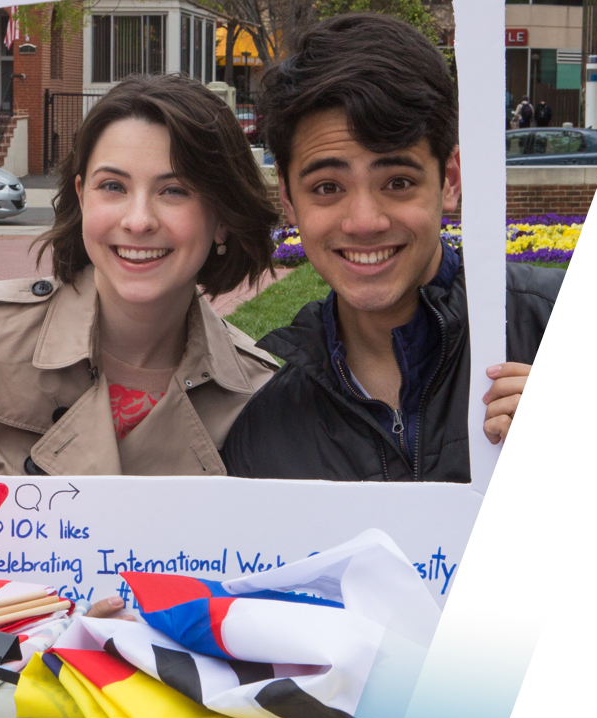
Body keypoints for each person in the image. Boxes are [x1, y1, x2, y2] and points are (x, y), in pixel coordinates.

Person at [0, 74, 279, 564]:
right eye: (113, 186)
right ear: (81, 195)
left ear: (222, 215)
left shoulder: (261, 395)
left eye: (174, 190)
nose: (138, 220)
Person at [220, 14, 564, 482]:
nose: (364, 221)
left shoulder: (570, 334)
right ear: (288, 199)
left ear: (450, 181)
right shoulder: (263, 440)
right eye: (326, 187)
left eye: (397, 181)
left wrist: (596, 445)